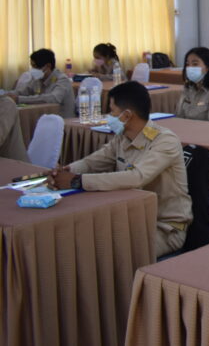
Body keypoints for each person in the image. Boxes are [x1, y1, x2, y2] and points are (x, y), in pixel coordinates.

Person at [50, 81, 192, 257]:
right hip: (132, 221)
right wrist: (66, 170)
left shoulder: (165, 141)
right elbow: (94, 162)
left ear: (127, 115)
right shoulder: (123, 137)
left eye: (112, 112)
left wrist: (77, 181)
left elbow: (136, 177)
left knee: (109, 253)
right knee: (85, 239)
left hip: (164, 229)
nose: (109, 117)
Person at [6, 49, 75, 118]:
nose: (33, 70)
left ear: (48, 66)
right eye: (32, 66)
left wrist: (19, 99)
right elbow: (23, 92)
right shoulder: (38, 79)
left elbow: (53, 98)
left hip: (62, 120)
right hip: (43, 117)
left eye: (35, 66)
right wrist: (8, 95)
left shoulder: (62, 79)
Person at [175, 47, 209, 123]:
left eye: (195, 64)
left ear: (207, 68)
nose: (190, 68)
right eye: (187, 64)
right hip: (187, 128)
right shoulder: (188, 88)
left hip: (208, 130)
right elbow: (179, 116)